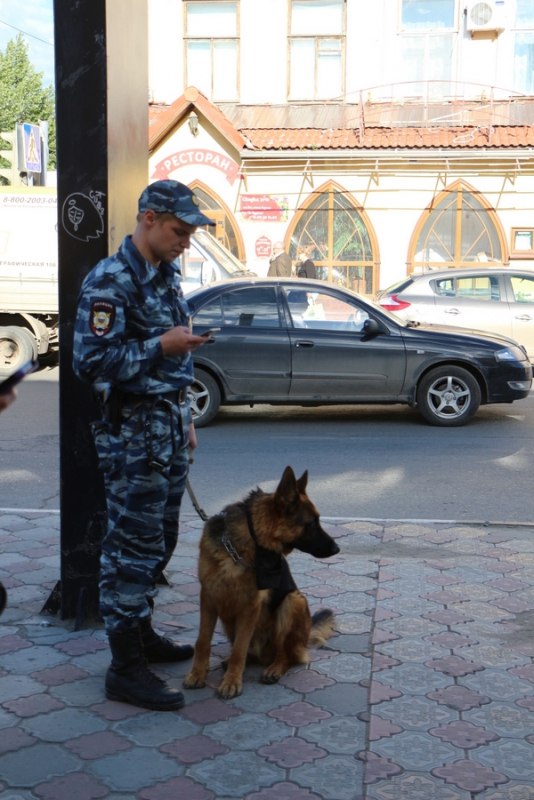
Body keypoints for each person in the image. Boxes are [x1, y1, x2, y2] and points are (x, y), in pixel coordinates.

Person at [73, 180, 214, 712]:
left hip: (168, 429)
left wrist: (187, 417)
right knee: (130, 547)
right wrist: (160, 345)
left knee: (160, 540)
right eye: (180, 231)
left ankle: (143, 634)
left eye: (191, 233)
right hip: (132, 438)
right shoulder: (111, 281)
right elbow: (89, 363)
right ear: (149, 218)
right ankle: (124, 667)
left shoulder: (165, 273)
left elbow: (179, 355)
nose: (187, 242)